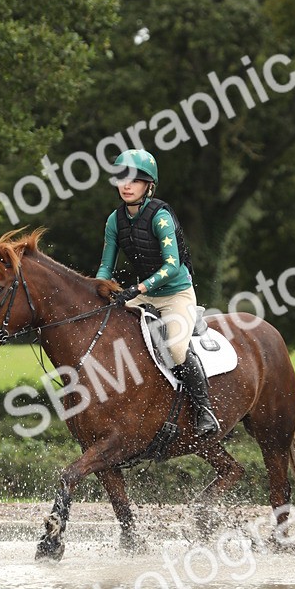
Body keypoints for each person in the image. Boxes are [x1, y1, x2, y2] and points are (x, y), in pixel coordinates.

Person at [96, 148, 220, 437]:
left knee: (175, 347)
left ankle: (205, 411)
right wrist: (98, 288)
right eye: (121, 179)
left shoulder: (160, 216)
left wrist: (137, 288)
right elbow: (106, 266)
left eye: (135, 180)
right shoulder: (114, 221)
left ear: (148, 186)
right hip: (144, 295)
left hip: (176, 294)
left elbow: (173, 266)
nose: (126, 185)